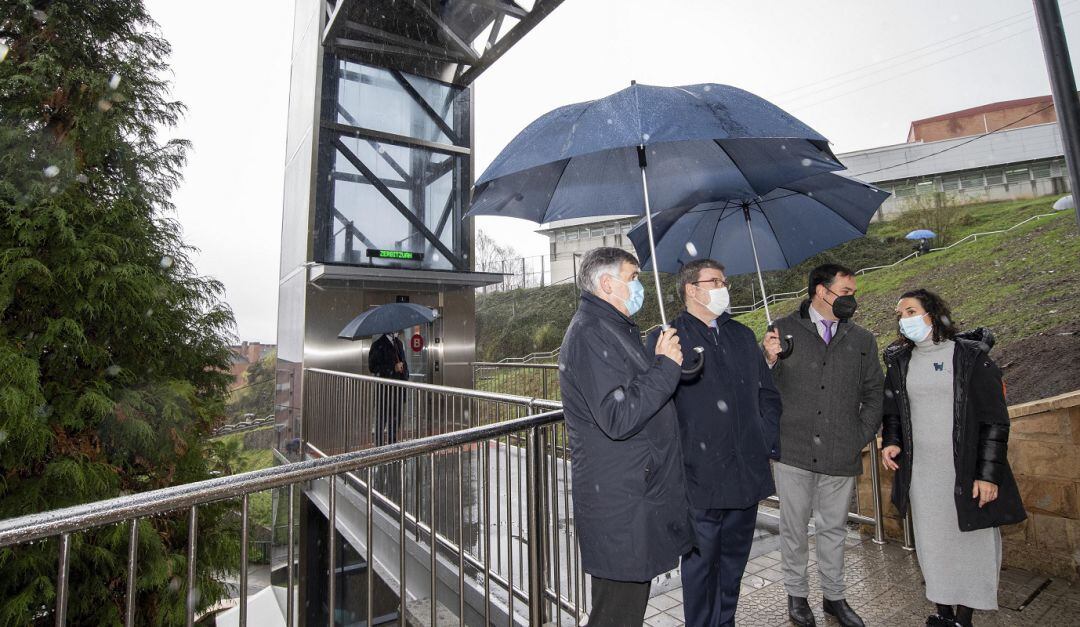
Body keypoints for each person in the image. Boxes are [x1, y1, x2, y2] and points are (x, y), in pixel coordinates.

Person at [558, 247, 692, 627]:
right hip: (621, 503)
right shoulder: (590, 334)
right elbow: (617, 415)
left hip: (633, 495)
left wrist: (662, 360)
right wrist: (665, 367)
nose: (640, 286)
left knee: (625, 611)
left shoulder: (613, 329)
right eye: (633, 277)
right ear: (606, 284)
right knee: (616, 615)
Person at [647, 259, 781, 627]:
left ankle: (726, 621)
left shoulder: (741, 335)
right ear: (692, 289)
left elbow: (766, 395)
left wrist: (764, 440)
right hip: (698, 477)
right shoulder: (667, 338)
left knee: (734, 563)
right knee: (701, 567)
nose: (724, 288)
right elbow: (655, 406)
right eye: (716, 281)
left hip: (745, 473)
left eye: (725, 281)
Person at [880, 289, 1026, 627]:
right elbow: (894, 412)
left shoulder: (971, 356)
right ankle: (942, 611)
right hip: (923, 472)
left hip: (964, 469)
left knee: (969, 542)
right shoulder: (900, 361)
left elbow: (994, 420)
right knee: (932, 543)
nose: (904, 320)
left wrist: (988, 475)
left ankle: (964, 617)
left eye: (911, 311)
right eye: (900, 315)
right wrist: (892, 441)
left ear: (931, 313)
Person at [762, 264, 883, 627]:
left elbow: (874, 392)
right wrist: (768, 359)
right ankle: (796, 597)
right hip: (793, 450)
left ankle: (835, 598)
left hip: (840, 451)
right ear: (821, 291)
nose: (852, 299)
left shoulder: (862, 340)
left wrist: (859, 435)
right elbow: (758, 387)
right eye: (846, 292)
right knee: (794, 528)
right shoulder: (781, 331)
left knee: (834, 529)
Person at [369, 330, 409, 444]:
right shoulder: (377, 345)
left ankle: (392, 445)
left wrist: (405, 371)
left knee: (395, 421)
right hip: (385, 392)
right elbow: (373, 367)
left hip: (399, 390)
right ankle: (379, 447)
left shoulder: (399, 344)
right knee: (382, 421)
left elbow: (404, 363)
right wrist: (392, 368)